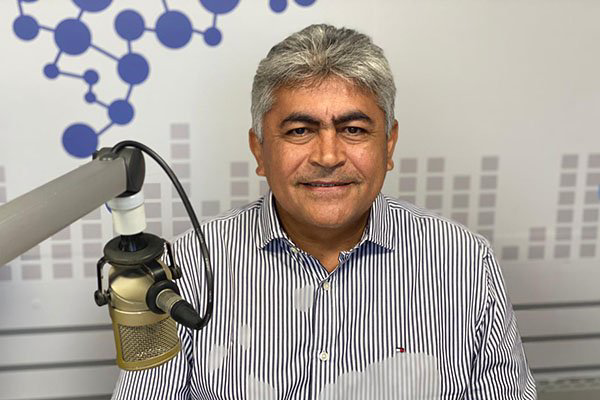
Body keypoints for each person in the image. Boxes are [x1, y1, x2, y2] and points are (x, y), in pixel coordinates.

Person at [113, 24, 537, 399]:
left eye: (353, 129)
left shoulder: (465, 262)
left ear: (388, 145)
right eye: (300, 131)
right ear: (259, 149)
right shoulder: (185, 267)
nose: (329, 156)